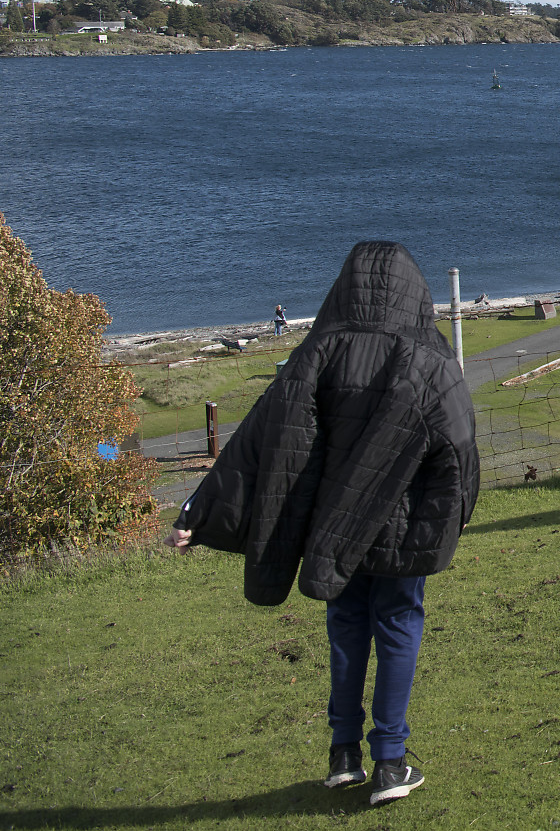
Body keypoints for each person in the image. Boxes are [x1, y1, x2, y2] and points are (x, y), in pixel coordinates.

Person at [166, 241, 478, 805]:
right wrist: (451, 518)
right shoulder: (430, 360)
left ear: (345, 288)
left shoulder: (317, 352)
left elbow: (259, 438)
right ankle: (390, 762)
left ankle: (343, 754)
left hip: (330, 528)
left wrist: (198, 509)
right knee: (398, 625)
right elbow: (459, 449)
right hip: (400, 525)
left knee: (347, 624)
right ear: (416, 293)